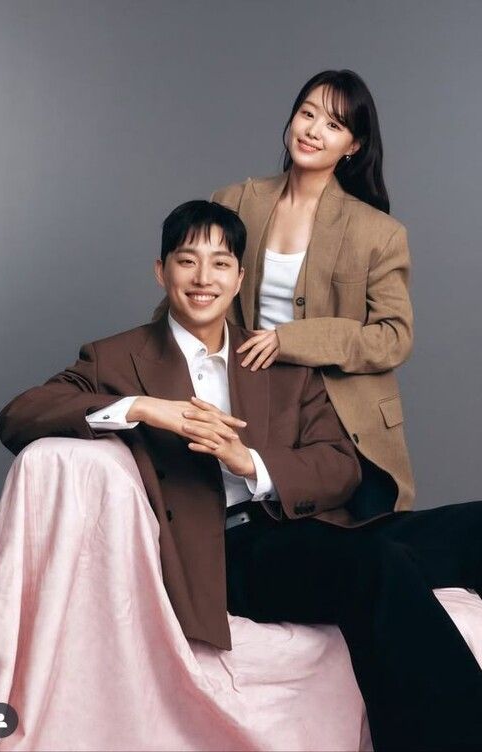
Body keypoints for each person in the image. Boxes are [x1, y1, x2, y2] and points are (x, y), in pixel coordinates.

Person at [0, 201, 482, 751]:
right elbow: (20, 414)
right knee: (376, 565)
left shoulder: (275, 362)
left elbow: (340, 466)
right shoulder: (118, 357)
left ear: (239, 277)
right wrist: (144, 408)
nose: (203, 278)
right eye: (187, 261)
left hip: (307, 526)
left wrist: (249, 462)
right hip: (225, 554)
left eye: (220, 263)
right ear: (161, 271)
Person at [152, 69, 414, 520]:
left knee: (358, 541)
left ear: (353, 145)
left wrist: (289, 340)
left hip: (343, 417)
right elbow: (194, 291)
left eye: (333, 124)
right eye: (307, 114)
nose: (313, 131)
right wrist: (148, 364)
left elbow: (394, 337)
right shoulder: (235, 201)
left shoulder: (378, 233)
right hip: (251, 397)